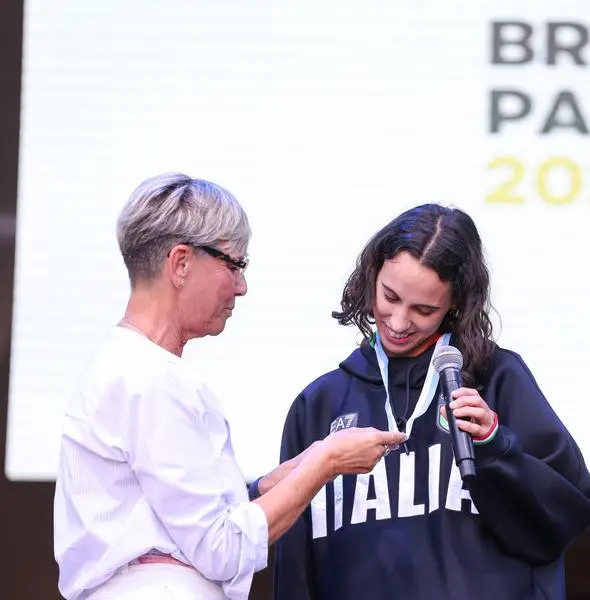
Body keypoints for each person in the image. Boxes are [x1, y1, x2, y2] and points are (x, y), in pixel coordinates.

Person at [53, 173, 406, 600]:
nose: (241, 285)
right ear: (181, 263)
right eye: (235, 264)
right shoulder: (150, 378)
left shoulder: (123, 367)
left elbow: (173, 514)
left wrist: (268, 484)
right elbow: (222, 548)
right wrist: (327, 461)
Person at [269, 203, 590, 600]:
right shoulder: (319, 405)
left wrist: (497, 447)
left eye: (423, 309)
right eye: (389, 296)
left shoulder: (497, 380)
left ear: (456, 305)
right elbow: (294, 565)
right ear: (371, 275)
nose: (397, 321)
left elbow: (563, 518)